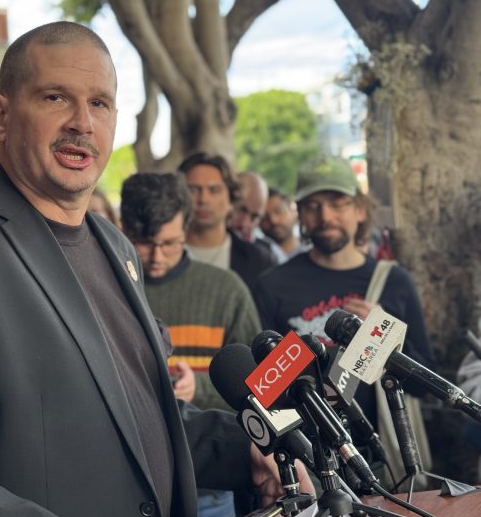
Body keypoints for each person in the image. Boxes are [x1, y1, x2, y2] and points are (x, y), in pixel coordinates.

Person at [0, 22, 303, 517]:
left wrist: (246, 450)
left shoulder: (116, 247)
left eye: (100, 103)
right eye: (54, 98)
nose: (82, 123)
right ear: (1, 117)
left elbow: (139, 419)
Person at [120, 171, 263, 517]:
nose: (156, 256)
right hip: (127, 488)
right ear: (121, 228)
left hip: (209, 492)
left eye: (169, 243)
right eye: (143, 242)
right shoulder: (107, 288)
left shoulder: (227, 291)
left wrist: (198, 389)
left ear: (186, 228)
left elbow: (262, 391)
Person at [252, 155, 435, 426]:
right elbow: (263, 390)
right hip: (306, 454)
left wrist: (385, 337)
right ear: (300, 213)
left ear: (360, 209)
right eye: (313, 206)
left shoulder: (394, 282)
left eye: (338, 204)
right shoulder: (271, 285)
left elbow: (426, 386)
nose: (326, 216)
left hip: (380, 455)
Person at [178, 153, 275, 292]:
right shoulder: (158, 254)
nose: (203, 199)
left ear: (231, 199)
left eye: (214, 190)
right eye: (193, 189)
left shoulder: (259, 261)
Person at [260, 188, 307, 260]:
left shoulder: (314, 255)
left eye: (278, 211)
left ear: (293, 211)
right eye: (264, 216)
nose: (273, 220)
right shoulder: (255, 260)